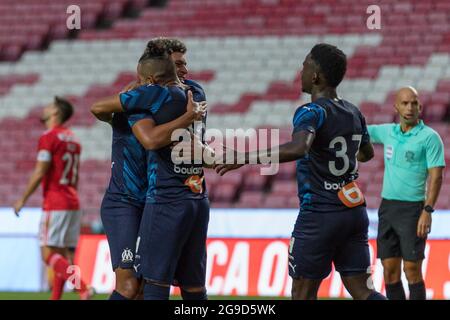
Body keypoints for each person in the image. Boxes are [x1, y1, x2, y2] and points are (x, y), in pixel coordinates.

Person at [215, 43, 386, 300]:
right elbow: (367, 154)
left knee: (302, 293)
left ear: (316, 75)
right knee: (363, 290)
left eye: (305, 66)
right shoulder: (353, 112)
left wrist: (244, 157)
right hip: (353, 212)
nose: (301, 71)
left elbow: (299, 148)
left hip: (319, 214)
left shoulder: (311, 111)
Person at [90, 39, 206, 300]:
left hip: (156, 201)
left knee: (145, 286)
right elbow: (100, 109)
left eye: (184, 65)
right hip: (124, 201)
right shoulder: (137, 101)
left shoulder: (185, 95)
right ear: (158, 73)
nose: (182, 72)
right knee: (130, 287)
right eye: (177, 66)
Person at [367, 86, 445, 300]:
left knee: (412, 271)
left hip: (413, 210)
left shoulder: (430, 137)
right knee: (390, 271)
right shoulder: (388, 132)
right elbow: (362, 130)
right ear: (396, 107)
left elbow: (436, 176)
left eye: (414, 103)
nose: (410, 107)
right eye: (405, 103)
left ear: (420, 106)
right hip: (388, 208)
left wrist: (427, 210)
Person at [13, 96, 93, 300]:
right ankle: (56, 297)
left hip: (55, 202)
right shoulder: (74, 138)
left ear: (55, 113)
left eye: (49, 106)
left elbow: (40, 172)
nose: (45, 108)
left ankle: (83, 287)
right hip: (72, 201)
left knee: (48, 254)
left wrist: (22, 199)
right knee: (64, 254)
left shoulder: (49, 137)